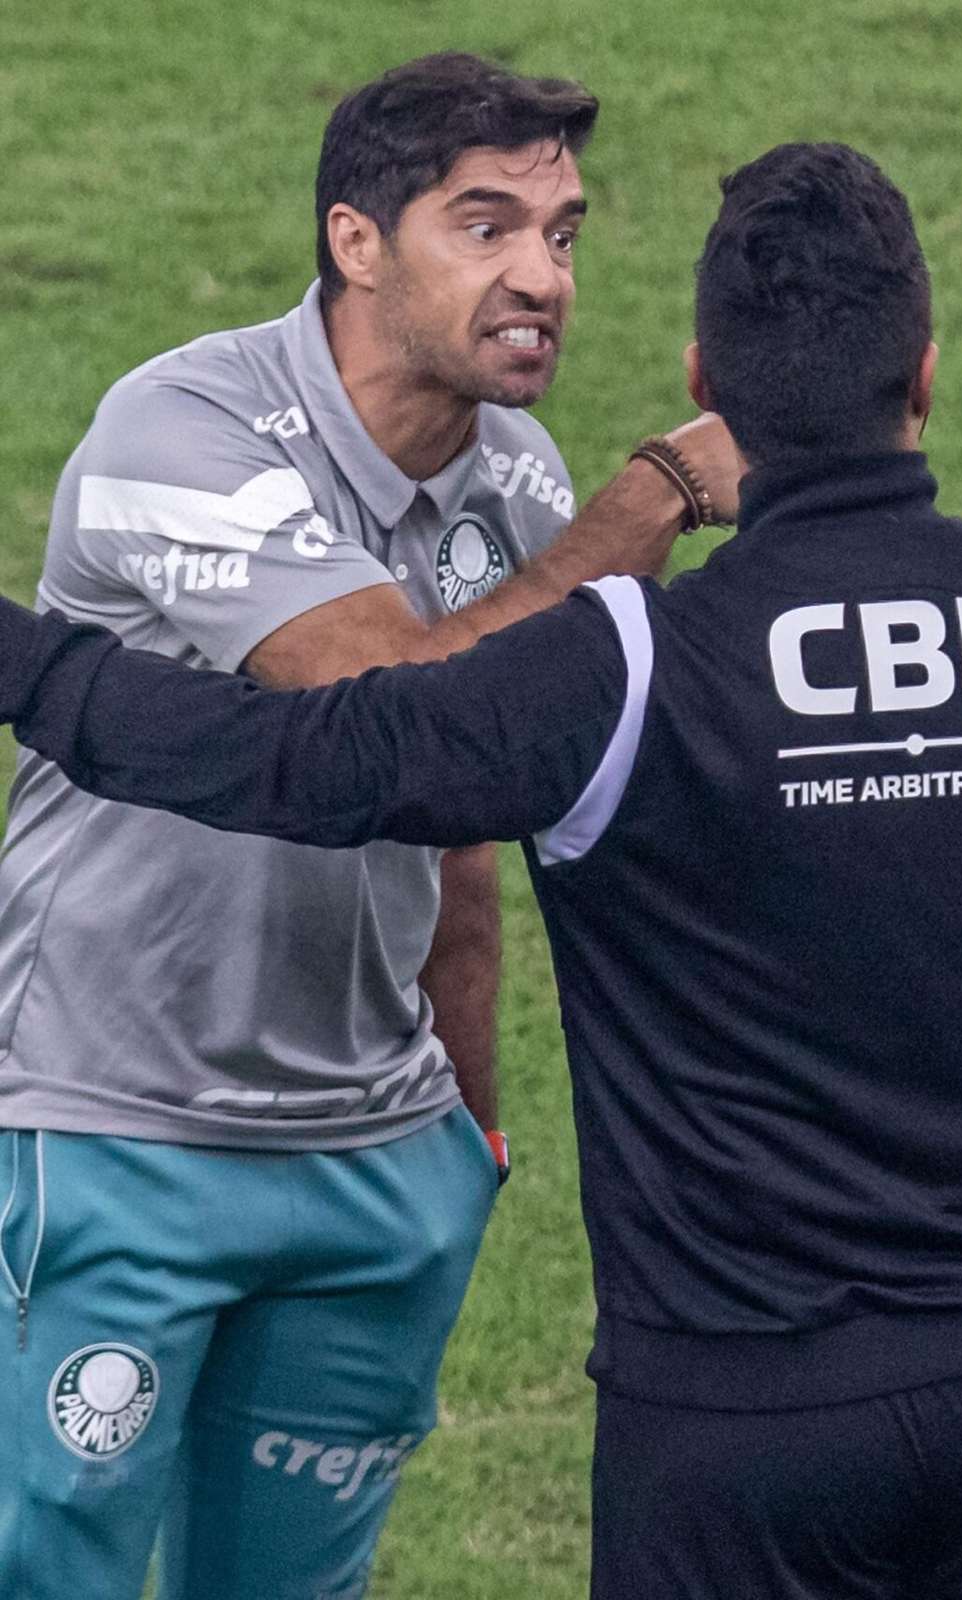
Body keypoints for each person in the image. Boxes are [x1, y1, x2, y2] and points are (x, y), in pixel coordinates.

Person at [2, 141, 962, 1600]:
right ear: (926, 378)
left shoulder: (622, 670)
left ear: (707, 384)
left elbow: (295, 762)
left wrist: (22, 655)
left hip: (730, 1432)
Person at [0, 51, 741, 1600]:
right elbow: (386, 715)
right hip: (114, 1131)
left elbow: (461, 832)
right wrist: (659, 493)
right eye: (488, 226)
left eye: (566, 232)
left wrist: (459, 1131)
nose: (544, 274)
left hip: (372, 1166)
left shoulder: (519, 490)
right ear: (356, 240)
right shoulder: (182, 430)